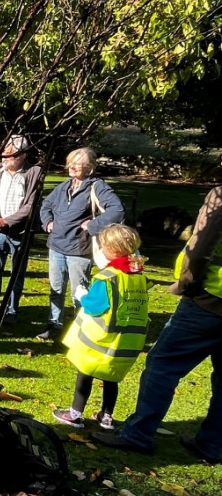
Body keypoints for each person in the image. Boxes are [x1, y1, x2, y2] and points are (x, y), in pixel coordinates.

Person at [93, 154, 222, 464]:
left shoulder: (220, 198)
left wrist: (188, 284)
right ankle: (213, 443)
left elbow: (201, 245)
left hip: (208, 303)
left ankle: (138, 434)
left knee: (162, 364)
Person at [52, 225, 148, 430]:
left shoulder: (107, 277)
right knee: (111, 378)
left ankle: (75, 414)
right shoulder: (138, 274)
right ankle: (106, 416)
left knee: (84, 373)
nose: (101, 250)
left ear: (113, 249)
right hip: (126, 340)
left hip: (99, 340)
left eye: (104, 246)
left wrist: (82, 295)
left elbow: (96, 307)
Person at [37, 147, 124, 341]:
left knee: (80, 293)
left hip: (79, 250)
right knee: (55, 290)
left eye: (78, 163)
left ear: (90, 167)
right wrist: (47, 222)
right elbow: (45, 205)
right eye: (71, 162)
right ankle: (54, 326)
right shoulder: (64, 186)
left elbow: (117, 210)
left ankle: (81, 331)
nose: (72, 166)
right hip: (56, 247)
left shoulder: (97, 186)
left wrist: (93, 225)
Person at [0, 136, 44, 325]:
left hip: (20, 233)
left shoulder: (34, 173)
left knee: (16, 275)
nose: (5, 156)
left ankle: (11, 312)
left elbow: (31, 205)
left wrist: (6, 221)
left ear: (22, 155)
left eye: (10, 153)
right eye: (4, 152)